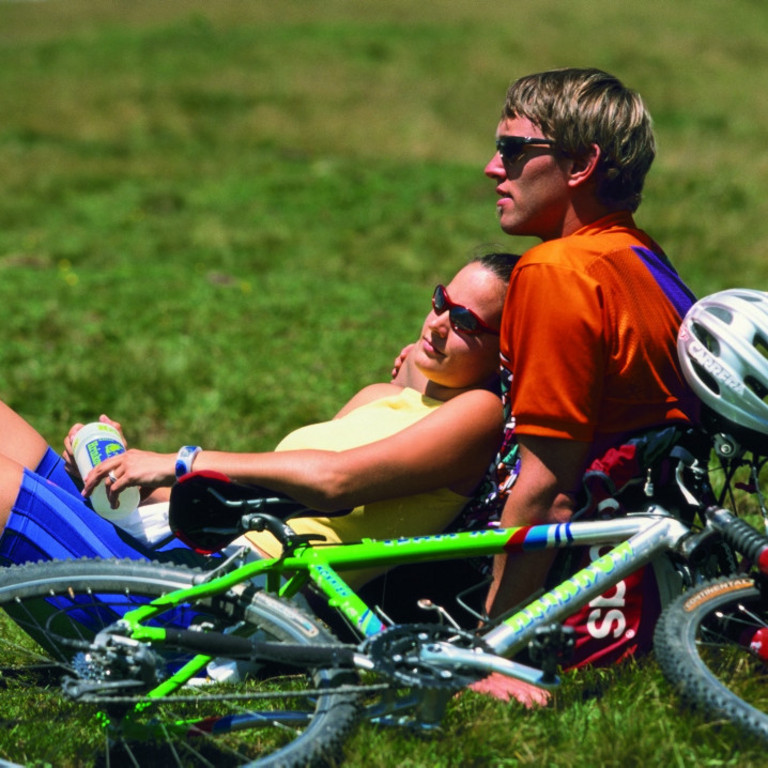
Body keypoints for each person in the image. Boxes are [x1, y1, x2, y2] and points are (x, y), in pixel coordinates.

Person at [0, 252, 519, 579]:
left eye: (466, 320)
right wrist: (114, 471)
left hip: (213, 601)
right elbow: (246, 499)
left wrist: (179, 462)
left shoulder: (479, 414)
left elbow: (336, 482)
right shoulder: (378, 399)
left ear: (507, 347)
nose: (436, 324)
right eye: (440, 300)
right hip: (184, 546)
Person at [453, 68, 699, 704]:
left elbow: (547, 493)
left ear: (581, 164)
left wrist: (492, 650)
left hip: (581, 595)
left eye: (512, 149)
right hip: (650, 573)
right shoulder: (641, 258)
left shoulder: (557, 271)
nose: (491, 168)